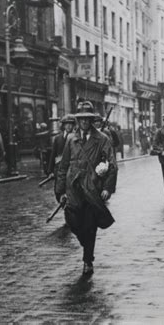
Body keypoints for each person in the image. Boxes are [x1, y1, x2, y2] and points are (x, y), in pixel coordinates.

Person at [55, 101, 117, 275]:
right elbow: (63, 165)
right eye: (81, 118)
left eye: (87, 119)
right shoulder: (71, 139)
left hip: (92, 188)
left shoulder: (102, 139)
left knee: (90, 226)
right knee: (73, 222)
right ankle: (85, 244)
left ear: (91, 120)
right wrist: (60, 191)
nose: (84, 122)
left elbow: (112, 164)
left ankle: (87, 260)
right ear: (77, 120)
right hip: (73, 188)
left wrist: (107, 188)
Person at [47, 114, 76, 198]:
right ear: (63, 125)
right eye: (67, 124)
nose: (69, 126)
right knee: (58, 191)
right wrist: (50, 171)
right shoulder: (58, 138)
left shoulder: (76, 138)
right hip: (59, 168)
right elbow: (53, 154)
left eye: (71, 124)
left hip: (71, 168)